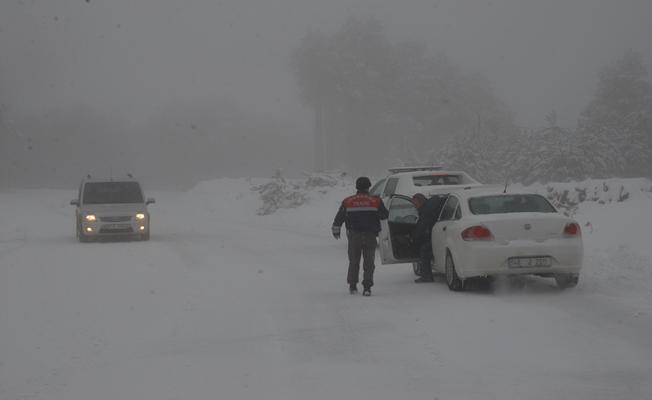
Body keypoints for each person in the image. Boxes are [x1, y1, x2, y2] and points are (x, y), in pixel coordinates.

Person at [332, 177, 389, 296]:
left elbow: (339, 218)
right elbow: (384, 215)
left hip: (354, 235)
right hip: (370, 236)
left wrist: (336, 230)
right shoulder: (376, 201)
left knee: (354, 261)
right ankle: (367, 287)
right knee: (369, 262)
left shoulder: (348, 201)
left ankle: (353, 286)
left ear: (356, 187)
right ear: (368, 187)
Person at [411, 193, 447, 283]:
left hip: (439, 234)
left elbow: (422, 227)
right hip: (441, 232)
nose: (415, 207)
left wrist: (416, 239)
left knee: (424, 250)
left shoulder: (425, 211)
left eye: (415, 204)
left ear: (420, 201)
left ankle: (426, 276)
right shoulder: (431, 205)